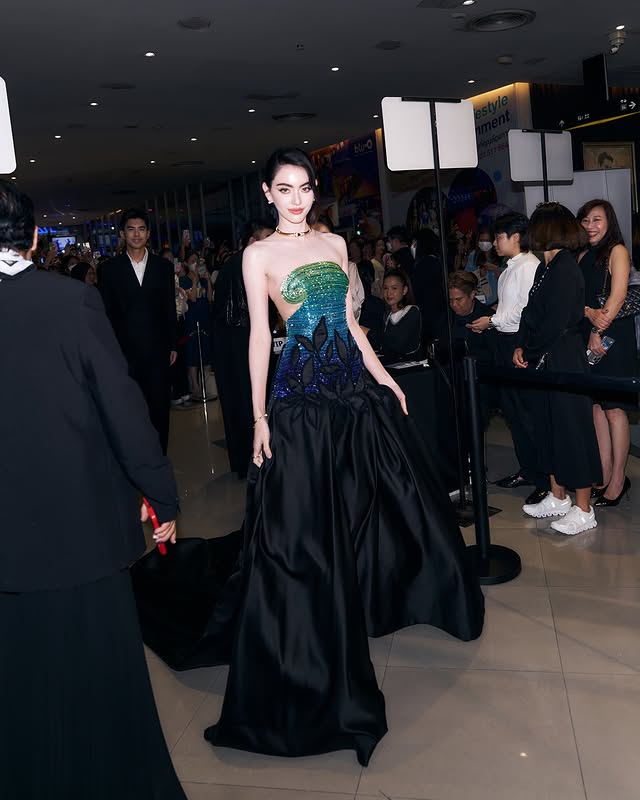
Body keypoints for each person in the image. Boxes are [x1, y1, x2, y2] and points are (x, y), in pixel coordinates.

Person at [203, 147, 484, 765]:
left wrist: (384, 378)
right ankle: (314, 635)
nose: (296, 199)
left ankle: (391, 594)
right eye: (284, 188)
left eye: (305, 187)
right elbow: (261, 337)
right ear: (268, 194)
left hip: (352, 394)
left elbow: (352, 325)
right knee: (305, 526)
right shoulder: (257, 256)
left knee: (384, 497)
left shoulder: (334, 246)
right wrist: (258, 418)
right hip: (300, 401)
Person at [0, 180, 185, 800]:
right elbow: (122, 408)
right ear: (33, 238)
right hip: (78, 526)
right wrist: (159, 491)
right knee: (96, 671)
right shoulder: (72, 301)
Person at [515, 202, 602, 534]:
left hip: (564, 356)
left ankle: (584, 508)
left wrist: (529, 349)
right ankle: (558, 496)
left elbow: (555, 322)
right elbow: (529, 314)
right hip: (545, 356)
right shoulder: (545, 267)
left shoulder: (565, 267)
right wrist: (523, 345)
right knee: (548, 427)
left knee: (572, 430)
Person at [467, 213, 546, 504]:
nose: (495, 243)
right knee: (513, 413)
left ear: (516, 237)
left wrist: (492, 320)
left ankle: (543, 478)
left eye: (499, 237)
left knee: (527, 413)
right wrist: (492, 317)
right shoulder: (511, 266)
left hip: (517, 341)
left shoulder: (528, 266)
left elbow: (524, 311)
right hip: (504, 339)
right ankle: (528, 470)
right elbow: (507, 305)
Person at [98, 209, 177, 454]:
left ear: (148, 233)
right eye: (131, 229)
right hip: (125, 353)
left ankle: (159, 456)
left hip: (157, 350)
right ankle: (134, 458)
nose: (136, 234)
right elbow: (106, 313)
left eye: (141, 229)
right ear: (122, 234)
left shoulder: (163, 267)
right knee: (129, 409)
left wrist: (172, 344)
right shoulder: (109, 270)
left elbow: (169, 308)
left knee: (159, 408)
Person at [577, 199, 636, 506]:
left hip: (612, 337)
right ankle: (602, 473)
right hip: (590, 335)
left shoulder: (618, 251)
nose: (590, 226)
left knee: (614, 410)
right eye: (586, 220)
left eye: (597, 219)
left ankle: (618, 480)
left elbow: (618, 295)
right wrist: (588, 315)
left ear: (609, 221)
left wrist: (597, 330)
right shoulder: (583, 255)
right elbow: (578, 300)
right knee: (597, 408)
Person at [211, 218, 274, 478]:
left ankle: (243, 463)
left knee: (236, 403)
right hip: (244, 341)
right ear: (252, 241)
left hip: (229, 344)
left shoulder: (231, 264)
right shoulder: (250, 264)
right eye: (267, 237)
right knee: (253, 401)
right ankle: (257, 460)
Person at [180, 252, 213, 400]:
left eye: (197, 261)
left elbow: (209, 297)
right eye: (192, 261)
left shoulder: (203, 279)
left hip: (204, 319)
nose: (195, 263)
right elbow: (192, 298)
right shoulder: (184, 280)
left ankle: (205, 386)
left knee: (205, 351)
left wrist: (208, 280)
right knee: (193, 353)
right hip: (192, 320)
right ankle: (195, 387)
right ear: (186, 264)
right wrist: (194, 281)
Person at [380, 269, 422, 362]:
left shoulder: (412, 311)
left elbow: (398, 344)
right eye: (385, 288)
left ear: (404, 290)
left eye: (394, 288)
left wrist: (370, 334)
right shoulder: (387, 315)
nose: (389, 293)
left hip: (409, 364)